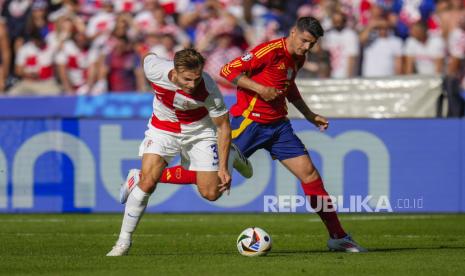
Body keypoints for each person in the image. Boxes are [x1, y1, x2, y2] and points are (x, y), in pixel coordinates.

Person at [219, 16, 367, 252]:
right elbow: (227, 71)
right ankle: (148, 177)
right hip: (249, 123)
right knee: (210, 183)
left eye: (312, 44)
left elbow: (289, 86)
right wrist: (260, 89)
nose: (307, 47)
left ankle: (338, 236)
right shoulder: (269, 51)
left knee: (310, 175)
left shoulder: (298, 57)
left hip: (278, 126)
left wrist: (309, 114)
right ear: (293, 32)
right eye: (305, 41)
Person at [107, 48, 252, 256]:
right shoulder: (155, 69)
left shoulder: (208, 87)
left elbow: (223, 127)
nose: (192, 85)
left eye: (197, 78)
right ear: (174, 71)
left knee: (211, 193)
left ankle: (233, 154)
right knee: (147, 182)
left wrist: (223, 167)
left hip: (200, 132)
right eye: (187, 79)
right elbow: (147, 56)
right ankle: (123, 242)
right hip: (163, 129)